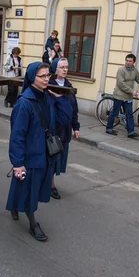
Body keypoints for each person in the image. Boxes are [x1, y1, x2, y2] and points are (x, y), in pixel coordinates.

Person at [6, 62, 72, 242]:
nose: (46, 79)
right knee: (30, 190)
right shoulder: (24, 103)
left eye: (47, 75)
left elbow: (64, 119)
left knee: (26, 187)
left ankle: (14, 205)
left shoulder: (48, 98)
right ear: (31, 78)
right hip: (30, 156)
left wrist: (60, 98)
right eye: (41, 76)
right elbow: (17, 135)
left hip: (45, 154)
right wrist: (17, 163)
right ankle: (33, 224)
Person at [49, 58, 80, 199]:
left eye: (66, 67)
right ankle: (50, 185)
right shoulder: (49, 86)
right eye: (62, 67)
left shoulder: (69, 86)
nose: (65, 69)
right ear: (55, 69)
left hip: (65, 131)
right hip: (54, 129)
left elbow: (74, 109)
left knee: (59, 158)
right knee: (51, 157)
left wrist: (76, 127)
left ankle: (49, 182)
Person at [105, 54, 139, 138]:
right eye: (126, 60)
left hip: (128, 96)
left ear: (133, 62)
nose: (128, 62)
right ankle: (109, 129)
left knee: (129, 114)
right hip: (119, 95)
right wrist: (132, 91)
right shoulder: (121, 70)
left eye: (130, 61)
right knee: (115, 113)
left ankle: (131, 132)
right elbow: (121, 84)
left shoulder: (134, 70)